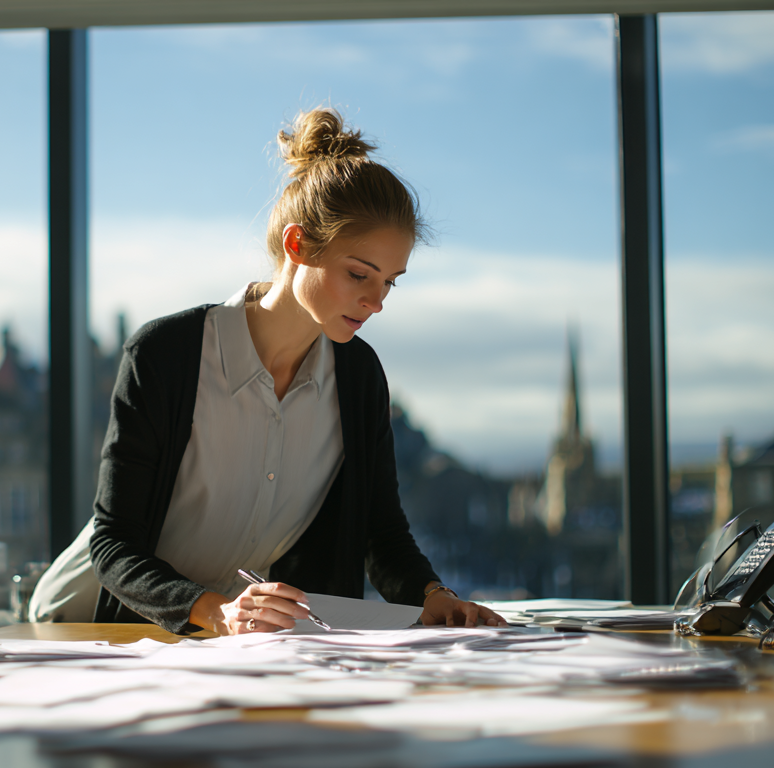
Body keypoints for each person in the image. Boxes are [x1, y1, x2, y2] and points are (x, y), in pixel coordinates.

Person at [31, 107, 505, 635]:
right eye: (358, 275)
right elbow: (114, 545)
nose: (376, 302)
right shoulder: (164, 356)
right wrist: (219, 611)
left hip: (238, 642)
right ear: (297, 245)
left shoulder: (358, 377)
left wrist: (433, 597)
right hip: (96, 626)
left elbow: (382, 533)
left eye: (389, 282)